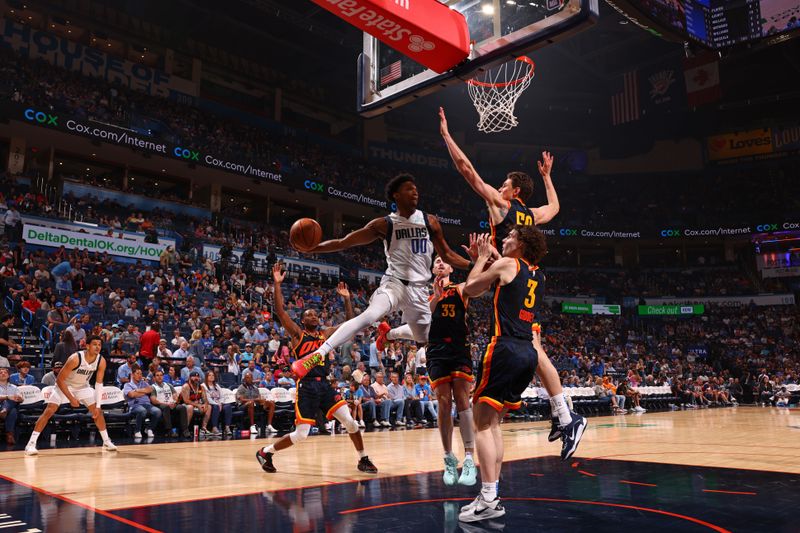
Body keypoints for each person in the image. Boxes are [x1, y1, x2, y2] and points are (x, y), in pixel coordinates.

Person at [439, 109, 585, 450]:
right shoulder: (531, 216)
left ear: (513, 189)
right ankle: (563, 414)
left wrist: (447, 137)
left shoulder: (502, 206)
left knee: (513, 331)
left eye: (504, 182)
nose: (499, 185)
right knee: (532, 344)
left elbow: (467, 171)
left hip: (510, 275)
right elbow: (555, 209)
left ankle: (565, 416)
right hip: (528, 278)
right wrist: (548, 176)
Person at [290, 174, 470, 380]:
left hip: (419, 289)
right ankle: (316, 354)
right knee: (369, 315)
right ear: (396, 195)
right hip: (395, 284)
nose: (415, 192)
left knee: (427, 336)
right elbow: (345, 242)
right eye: (409, 189)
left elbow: (447, 254)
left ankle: (388, 334)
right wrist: (313, 248)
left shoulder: (430, 222)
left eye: (416, 188)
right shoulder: (384, 225)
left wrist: (473, 265)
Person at [457, 229, 576, 523]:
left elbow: (471, 288)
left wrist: (482, 258)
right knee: (493, 424)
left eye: (509, 236)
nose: (504, 239)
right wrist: (490, 261)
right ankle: (491, 494)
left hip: (504, 348)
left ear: (520, 244)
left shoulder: (508, 265)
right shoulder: (539, 276)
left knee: (481, 425)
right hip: (527, 353)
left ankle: (488, 499)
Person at [256, 263, 376, 474]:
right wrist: (277, 285)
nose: (315, 317)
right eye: (310, 315)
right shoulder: (297, 334)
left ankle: (363, 459)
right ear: (303, 320)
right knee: (302, 434)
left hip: (326, 386)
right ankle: (266, 452)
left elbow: (350, 323)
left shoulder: (326, 334)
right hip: (307, 387)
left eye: (316, 315)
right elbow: (281, 311)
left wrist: (347, 299)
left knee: (350, 422)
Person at [25, 336, 117, 454]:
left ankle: (106, 441)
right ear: (87, 346)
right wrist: (71, 398)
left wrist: (98, 406)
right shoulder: (75, 358)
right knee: (49, 410)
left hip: (83, 387)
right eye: (94, 344)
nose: (97, 347)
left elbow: (99, 384)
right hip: (65, 386)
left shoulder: (101, 360)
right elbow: (59, 380)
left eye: (99, 344)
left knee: (98, 412)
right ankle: (31, 444)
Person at [123, 365, 162, 439]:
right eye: (137, 373)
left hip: (147, 404)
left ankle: (149, 429)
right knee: (142, 410)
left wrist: (138, 390)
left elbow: (150, 389)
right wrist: (144, 392)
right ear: (132, 375)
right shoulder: (127, 385)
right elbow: (131, 395)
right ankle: (137, 431)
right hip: (135, 405)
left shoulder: (143, 383)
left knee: (157, 411)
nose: (140, 375)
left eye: (141, 374)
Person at [150, 369, 187, 437]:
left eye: (161, 375)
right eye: (157, 375)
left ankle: (184, 430)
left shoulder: (169, 385)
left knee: (182, 407)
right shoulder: (153, 387)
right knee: (166, 407)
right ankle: (169, 430)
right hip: (160, 405)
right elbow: (154, 400)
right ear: (154, 378)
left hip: (171, 404)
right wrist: (166, 404)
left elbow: (175, 396)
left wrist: (175, 403)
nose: (159, 377)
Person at [180, 370, 212, 436]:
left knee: (209, 407)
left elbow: (205, 399)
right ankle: (185, 429)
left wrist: (205, 404)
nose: (196, 378)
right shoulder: (186, 386)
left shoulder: (201, 387)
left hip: (196, 405)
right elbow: (186, 400)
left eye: (197, 377)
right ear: (190, 378)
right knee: (190, 407)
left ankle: (203, 428)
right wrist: (198, 405)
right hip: (184, 405)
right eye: (194, 377)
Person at [203, 370, 234, 436]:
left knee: (228, 406)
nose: (211, 377)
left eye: (213, 375)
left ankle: (227, 427)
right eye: (209, 375)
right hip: (210, 403)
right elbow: (207, 398)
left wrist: (221, 403)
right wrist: (217, 404)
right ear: (206, 377)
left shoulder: (216, 385)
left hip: (219, 403)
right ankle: (214, 428)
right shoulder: (203, 386)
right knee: (216, 407)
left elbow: (222, 396)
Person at [0, 366, 22, 444]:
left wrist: (20, 398)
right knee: (12, 410)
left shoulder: (14, 387)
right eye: (1, 373)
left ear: (8, 375)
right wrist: (8, 397)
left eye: (5, 372)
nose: (3, 374)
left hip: (8, 409)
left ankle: (4, 410)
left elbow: (21, 399)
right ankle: (9, 434)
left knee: (12, 406)